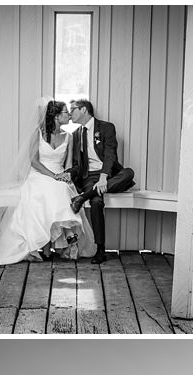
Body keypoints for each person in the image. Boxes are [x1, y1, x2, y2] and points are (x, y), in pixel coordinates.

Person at [0, 98, 95, 265]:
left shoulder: (69, 136)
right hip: (39, 174)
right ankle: (42, 245)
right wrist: (53, 176)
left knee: (62, 190)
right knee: (45, 192)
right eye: (66, 112)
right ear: (56, 116)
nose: (69, 115)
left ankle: (54, 245)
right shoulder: (37, 133)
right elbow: (34, 161)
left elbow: (69, 164)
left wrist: (65, 175)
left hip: (58, 175)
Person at [68, 99, 136, 264]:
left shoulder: (106, 127)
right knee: (97, 202)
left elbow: (110, 154)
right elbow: (78, 165)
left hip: (110, 174)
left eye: (73, 110)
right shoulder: (76, 134)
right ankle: (100, 250)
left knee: (129, 173)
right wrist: (67, 174)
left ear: (83, 110)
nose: (70, 114)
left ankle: (82, 197)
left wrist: (104, 177)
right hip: (90, 177)